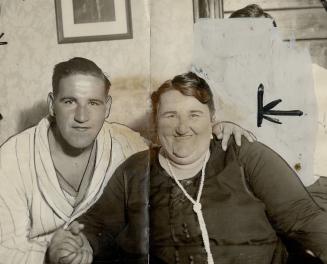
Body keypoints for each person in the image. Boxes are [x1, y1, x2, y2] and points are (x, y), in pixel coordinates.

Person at [56, 72, 327, 264]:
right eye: (170, 116)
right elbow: (96, 225)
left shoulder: (244, 154)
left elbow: (304, 219)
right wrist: (79, 244)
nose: (182, 127)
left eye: (194, 115)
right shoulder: (135, 171)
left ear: (212, 120)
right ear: (155, 123)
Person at [0, 58, 252, 263]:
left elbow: (175, 151)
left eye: (94, 103)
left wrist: (217, 130)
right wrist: (50, 255)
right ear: (52, 105)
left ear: (107, 107)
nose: (82, 116)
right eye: (69, 101)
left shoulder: (124, 143)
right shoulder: (12, 157)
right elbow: (3, 251)